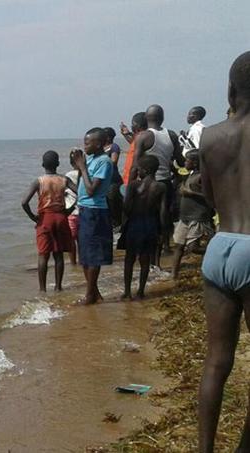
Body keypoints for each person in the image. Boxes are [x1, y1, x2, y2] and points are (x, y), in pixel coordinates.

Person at [197, 51, 250, 453]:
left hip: (221, 248)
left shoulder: (211, 136)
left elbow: (210, 198)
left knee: (217, 361)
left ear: (231, 88)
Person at [132, 104, 184, 253]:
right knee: (165, 213)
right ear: (162, 118)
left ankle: (150, 246)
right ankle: (166, 245)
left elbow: (135, 165)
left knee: (148, 215)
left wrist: (131, 186)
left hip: (149, 182)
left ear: (146, 118)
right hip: (166, 181)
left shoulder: (143, 136)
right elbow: (180, 160)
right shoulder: (172, 135)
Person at [21, 151, 76, 292]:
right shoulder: (64, 180)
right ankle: (58, 287)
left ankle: (42, 289)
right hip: (61, 217)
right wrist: (69, 210)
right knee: (58, 254)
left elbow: (24, 202)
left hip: (45, 218)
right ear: (58, 164)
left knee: (43, 254)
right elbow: (80, 194)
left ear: (42, 164)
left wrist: (33, 217)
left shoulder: (39, 181)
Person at [72, 128, 114, 304]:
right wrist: (78, 163)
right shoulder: (91, 159)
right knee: (85, 255)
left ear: (98, 144)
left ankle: (90, 295)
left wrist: (82, 166)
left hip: (95, 211)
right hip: (84, 209)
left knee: (94, 254)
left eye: (88, 143)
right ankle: (94, 292)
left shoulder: (104, 161)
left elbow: (91, 190)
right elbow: (82, 184)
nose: (85, 146)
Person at [118, 155, 167, 300]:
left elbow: (126, 207)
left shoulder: (134, 185)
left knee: (129, 259)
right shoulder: (161, 187)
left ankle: (127, 292)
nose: (137, 171)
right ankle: (140, 291)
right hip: (151, 224)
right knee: (145, 259)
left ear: (144, 170)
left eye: (138, 169)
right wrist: (163, 231)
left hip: (134, 223)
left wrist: (123, 223)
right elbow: (163, 211)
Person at [171, 151, 214, 279]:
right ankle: (173, 275)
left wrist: (191, 193)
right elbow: (179, 173)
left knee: (193, 248)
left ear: (195, 163)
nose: (184, 163)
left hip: (198, 216)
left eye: (187, 161)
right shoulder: (191, 174)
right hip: (184, 217)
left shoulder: (202, 177)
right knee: (179, 245)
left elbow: (210, 198)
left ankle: (214, 254)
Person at [119, 112, 148, 187]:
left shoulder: (145, 138)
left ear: (137, 125)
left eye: (133, 124)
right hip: (128, 180)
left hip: (133, 182)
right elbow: (134, 143)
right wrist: (126, 134)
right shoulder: (140, 138)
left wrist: (130, 185)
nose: (132, 126)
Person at [103, 127, 124, 227]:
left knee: (113, 200)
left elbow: (114, 161)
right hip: (103, 180)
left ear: (108, 137)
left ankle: (117, 222)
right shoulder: (101, 148)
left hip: (113, 180)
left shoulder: (114, 147)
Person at [65, 151, 81, 265]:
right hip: (83, 211)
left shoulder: (68, 175)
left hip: (71, 211)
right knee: (82, 240)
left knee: (71, 240)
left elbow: (64, 191)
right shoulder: (87, 174)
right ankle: (82, 260)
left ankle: (73, 263)